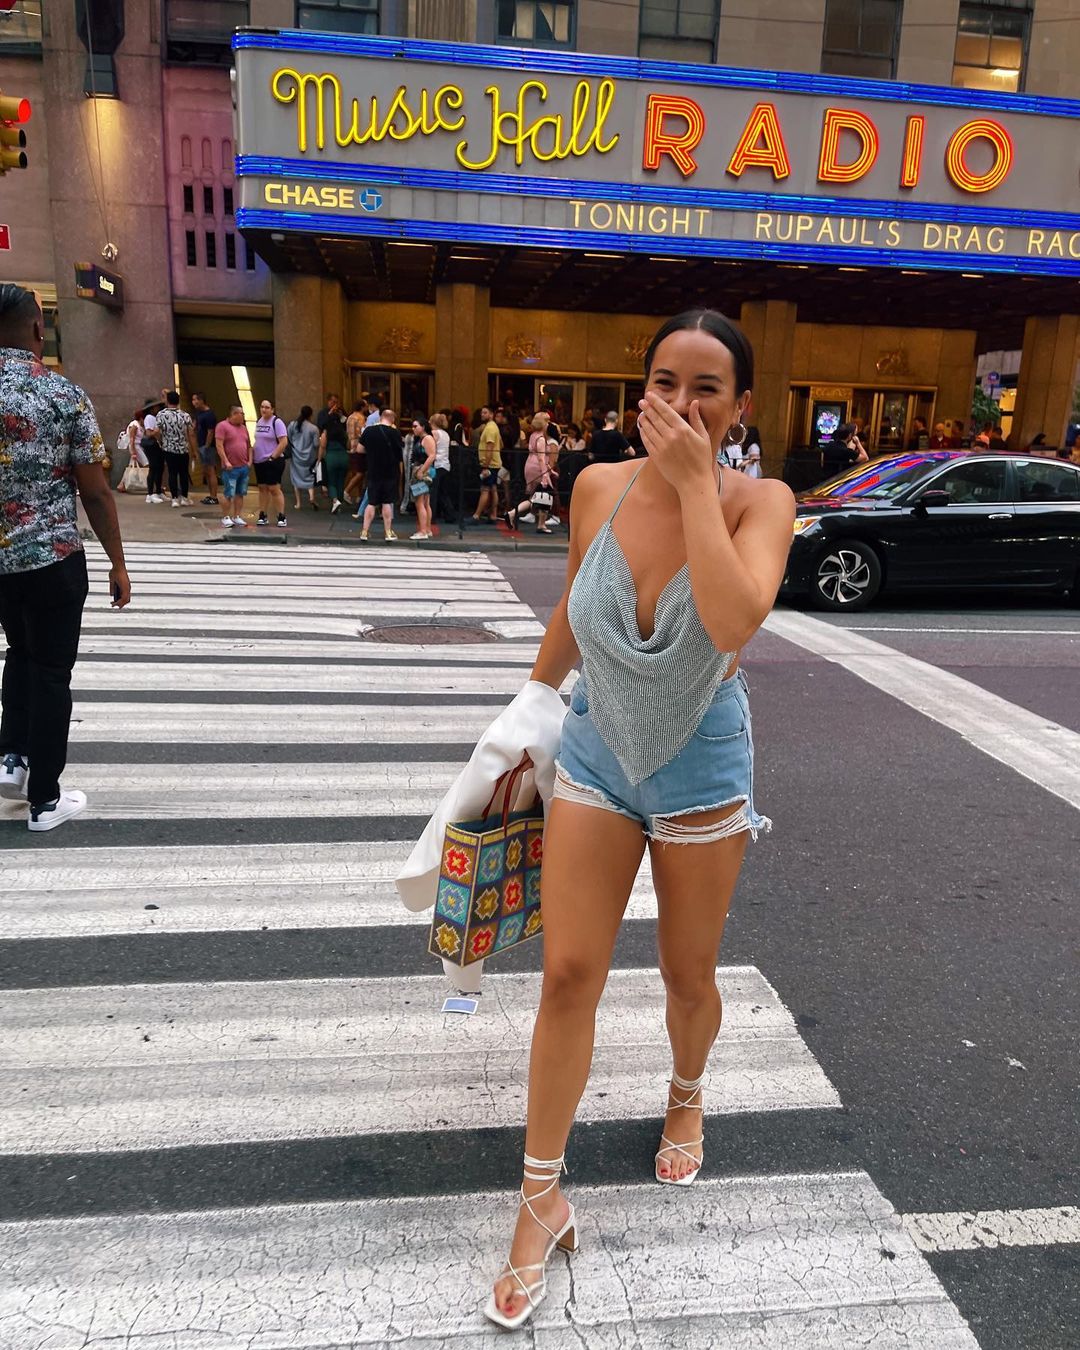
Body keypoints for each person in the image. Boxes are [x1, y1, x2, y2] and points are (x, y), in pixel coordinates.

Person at [484, 308, 795, 1329]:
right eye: (666, 381)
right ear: (641, 391)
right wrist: (529, 710)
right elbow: (577, 606)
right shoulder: (596, 487)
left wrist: (701, 485)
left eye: (708, 388)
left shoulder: (762, 502)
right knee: (568, 973)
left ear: (741, 407)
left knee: (686, 974)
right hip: (597, 752)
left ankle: (687, 1091)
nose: (681, 403)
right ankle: (539, 1199)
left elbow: (736, 617)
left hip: (703, 763)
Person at [0, 283, 131, 831]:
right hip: (53, 557)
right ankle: (45, 801)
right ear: (38, 328)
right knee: (52, 672)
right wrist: (117, 562)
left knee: (19, 651)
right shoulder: (63, 395)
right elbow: (95, 492)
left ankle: (12, 760)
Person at [506, 414, 557, 534]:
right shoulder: (541, 438)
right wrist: (545, 474)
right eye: (547, 422)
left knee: (534, 497)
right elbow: (541, 458)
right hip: (538, 468)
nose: (548, 424)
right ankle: (541, 524)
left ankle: (512, 514)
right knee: (546, 494)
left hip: (530, 465)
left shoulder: (533, 435)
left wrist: (550, 470)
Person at [360, 407, 403, 541]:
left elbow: (360, 449)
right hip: (390, 472)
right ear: (392, 419)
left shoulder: (368, 431)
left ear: (381, 417)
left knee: (371, 502)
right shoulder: (395, 433)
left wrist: (372, 452)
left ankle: (364, 531)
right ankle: (388, 532)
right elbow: (399, 454)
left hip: (373, 471)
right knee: (386, 502)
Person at [156, 390, 197, 509]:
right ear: (178, 401)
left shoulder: (161, 415)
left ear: (167, 401)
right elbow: (191, 434)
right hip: (183, 449)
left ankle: (174, 499)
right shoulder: (185, 415)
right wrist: (194, 450)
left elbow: (158, 432)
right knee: (183, 473)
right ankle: (184, 497)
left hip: (168, 448)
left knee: (172, 473)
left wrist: (161, 442)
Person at [215, 405, 252, 528]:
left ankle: (237, 516)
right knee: (229, 493)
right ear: (234, 414)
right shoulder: (222, 426)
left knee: (240, 493)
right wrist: (226, 461)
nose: (243, 416)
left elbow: (249, 445)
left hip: (243, 465)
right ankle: (226, 516)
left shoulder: (243, 428)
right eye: (241, 414)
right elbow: (219, 445)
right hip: (230, 467)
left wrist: (249, 461)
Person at [471, 406, 503, 524]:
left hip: (490, 464)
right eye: (482, 413)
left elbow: (489, 447)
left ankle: (476, 515)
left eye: (485, 412)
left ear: (491, 414)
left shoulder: (490, 428)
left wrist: (485, 465)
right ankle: (493, 515)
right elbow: (501, 444)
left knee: (485, 489)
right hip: (494, 462)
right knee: (493, 489)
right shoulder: (493, 427)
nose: (482, 415)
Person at [319, 397, 350, 513]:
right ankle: (339, 504)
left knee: (331, 481)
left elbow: (322, 446)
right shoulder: (343, 433)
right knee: (341, 481)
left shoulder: (327, 432)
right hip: (344, 456)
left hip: (331, 456)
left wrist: (319, 459)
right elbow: (348, 445)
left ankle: (335, 500)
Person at [287, 406, 320, 511]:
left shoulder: (292, 425)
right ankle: (311, 497)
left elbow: (288, 438)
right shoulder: (314, 428)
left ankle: (298, 503)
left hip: (296, 455)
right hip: (309, 456)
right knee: (310, 477)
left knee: (296, 477)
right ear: (311, 415)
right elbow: (316, 444)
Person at [410, 417, 437, 540]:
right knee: (425, 502)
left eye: (416, 426)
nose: (413, 429)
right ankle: (427, 529)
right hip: (424, 471)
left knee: (420, 502)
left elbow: (431, 456)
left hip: (422, 471)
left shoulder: (427, 439)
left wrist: (421, 471)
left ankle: (423, 531)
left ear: (423, 427)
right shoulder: (423, 439)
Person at [191, 392, 219, 504]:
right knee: (206, 472)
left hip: (208, 447)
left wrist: (207, 446)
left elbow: (210, 432)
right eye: (193, 400)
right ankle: (210, 494)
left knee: (211, 471)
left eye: (196, 400)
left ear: (201, 400)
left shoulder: (209, 415)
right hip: (201, 444)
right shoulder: (198, 414)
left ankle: (214, 496)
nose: (194, 402)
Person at [139, 396, 165, 503]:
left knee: (160, 468)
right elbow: (149, 433)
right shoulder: (149, 418)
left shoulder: (156, 417)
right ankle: (150, 493)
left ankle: (158, 491)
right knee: (154, 468)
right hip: (152, 445)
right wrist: (157, 431)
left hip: (158, 445)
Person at [430, 411, 452, 523]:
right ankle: (450, 515)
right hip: (445, 465)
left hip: (436, 464)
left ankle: (431, 516)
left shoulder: (434, 433)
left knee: (433, 492)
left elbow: (430, 448)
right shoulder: (446, 434)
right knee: (443, 492)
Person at [345, 400, 367, 505]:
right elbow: (361, 433)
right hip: (359, 446)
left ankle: (359, 495)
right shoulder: (360, 418)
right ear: (362, 407)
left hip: (350, 445)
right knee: (360, 472)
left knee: (355, 471)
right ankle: (347, 491)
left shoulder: (350, 417)